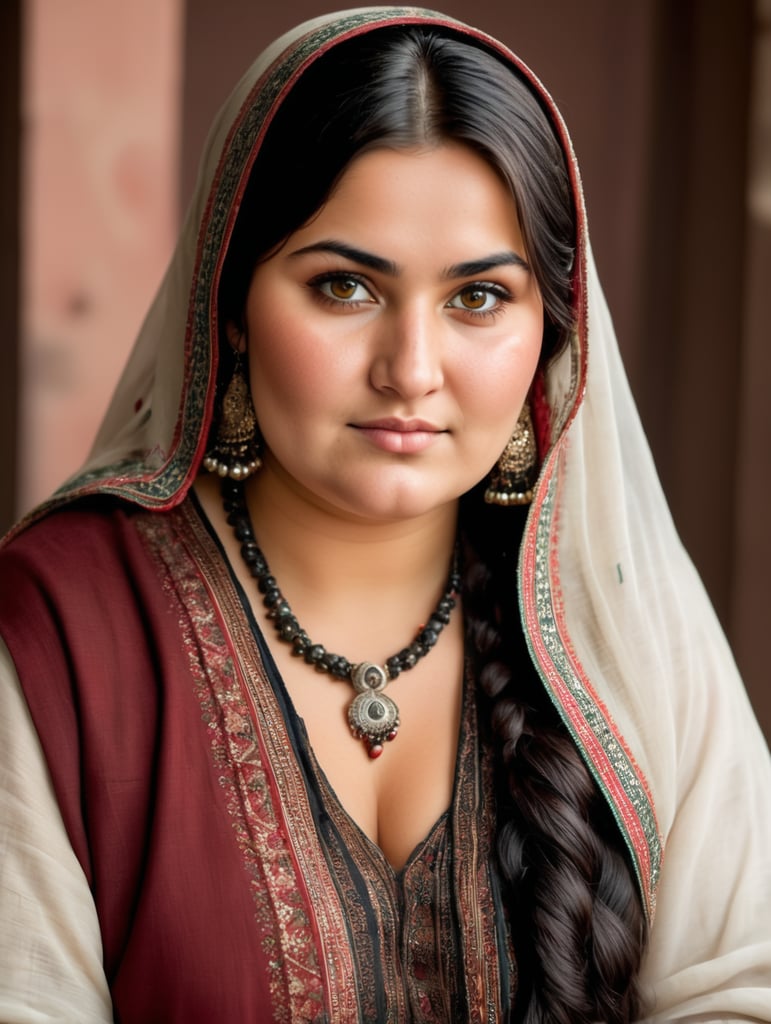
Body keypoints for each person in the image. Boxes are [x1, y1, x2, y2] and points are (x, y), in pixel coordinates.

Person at [0, 8, 769, 1023]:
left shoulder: (623, 621)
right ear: (229, 304)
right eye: (345, 285)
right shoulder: (64, 628)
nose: (411, 369)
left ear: (551, 332)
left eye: (480, 298)